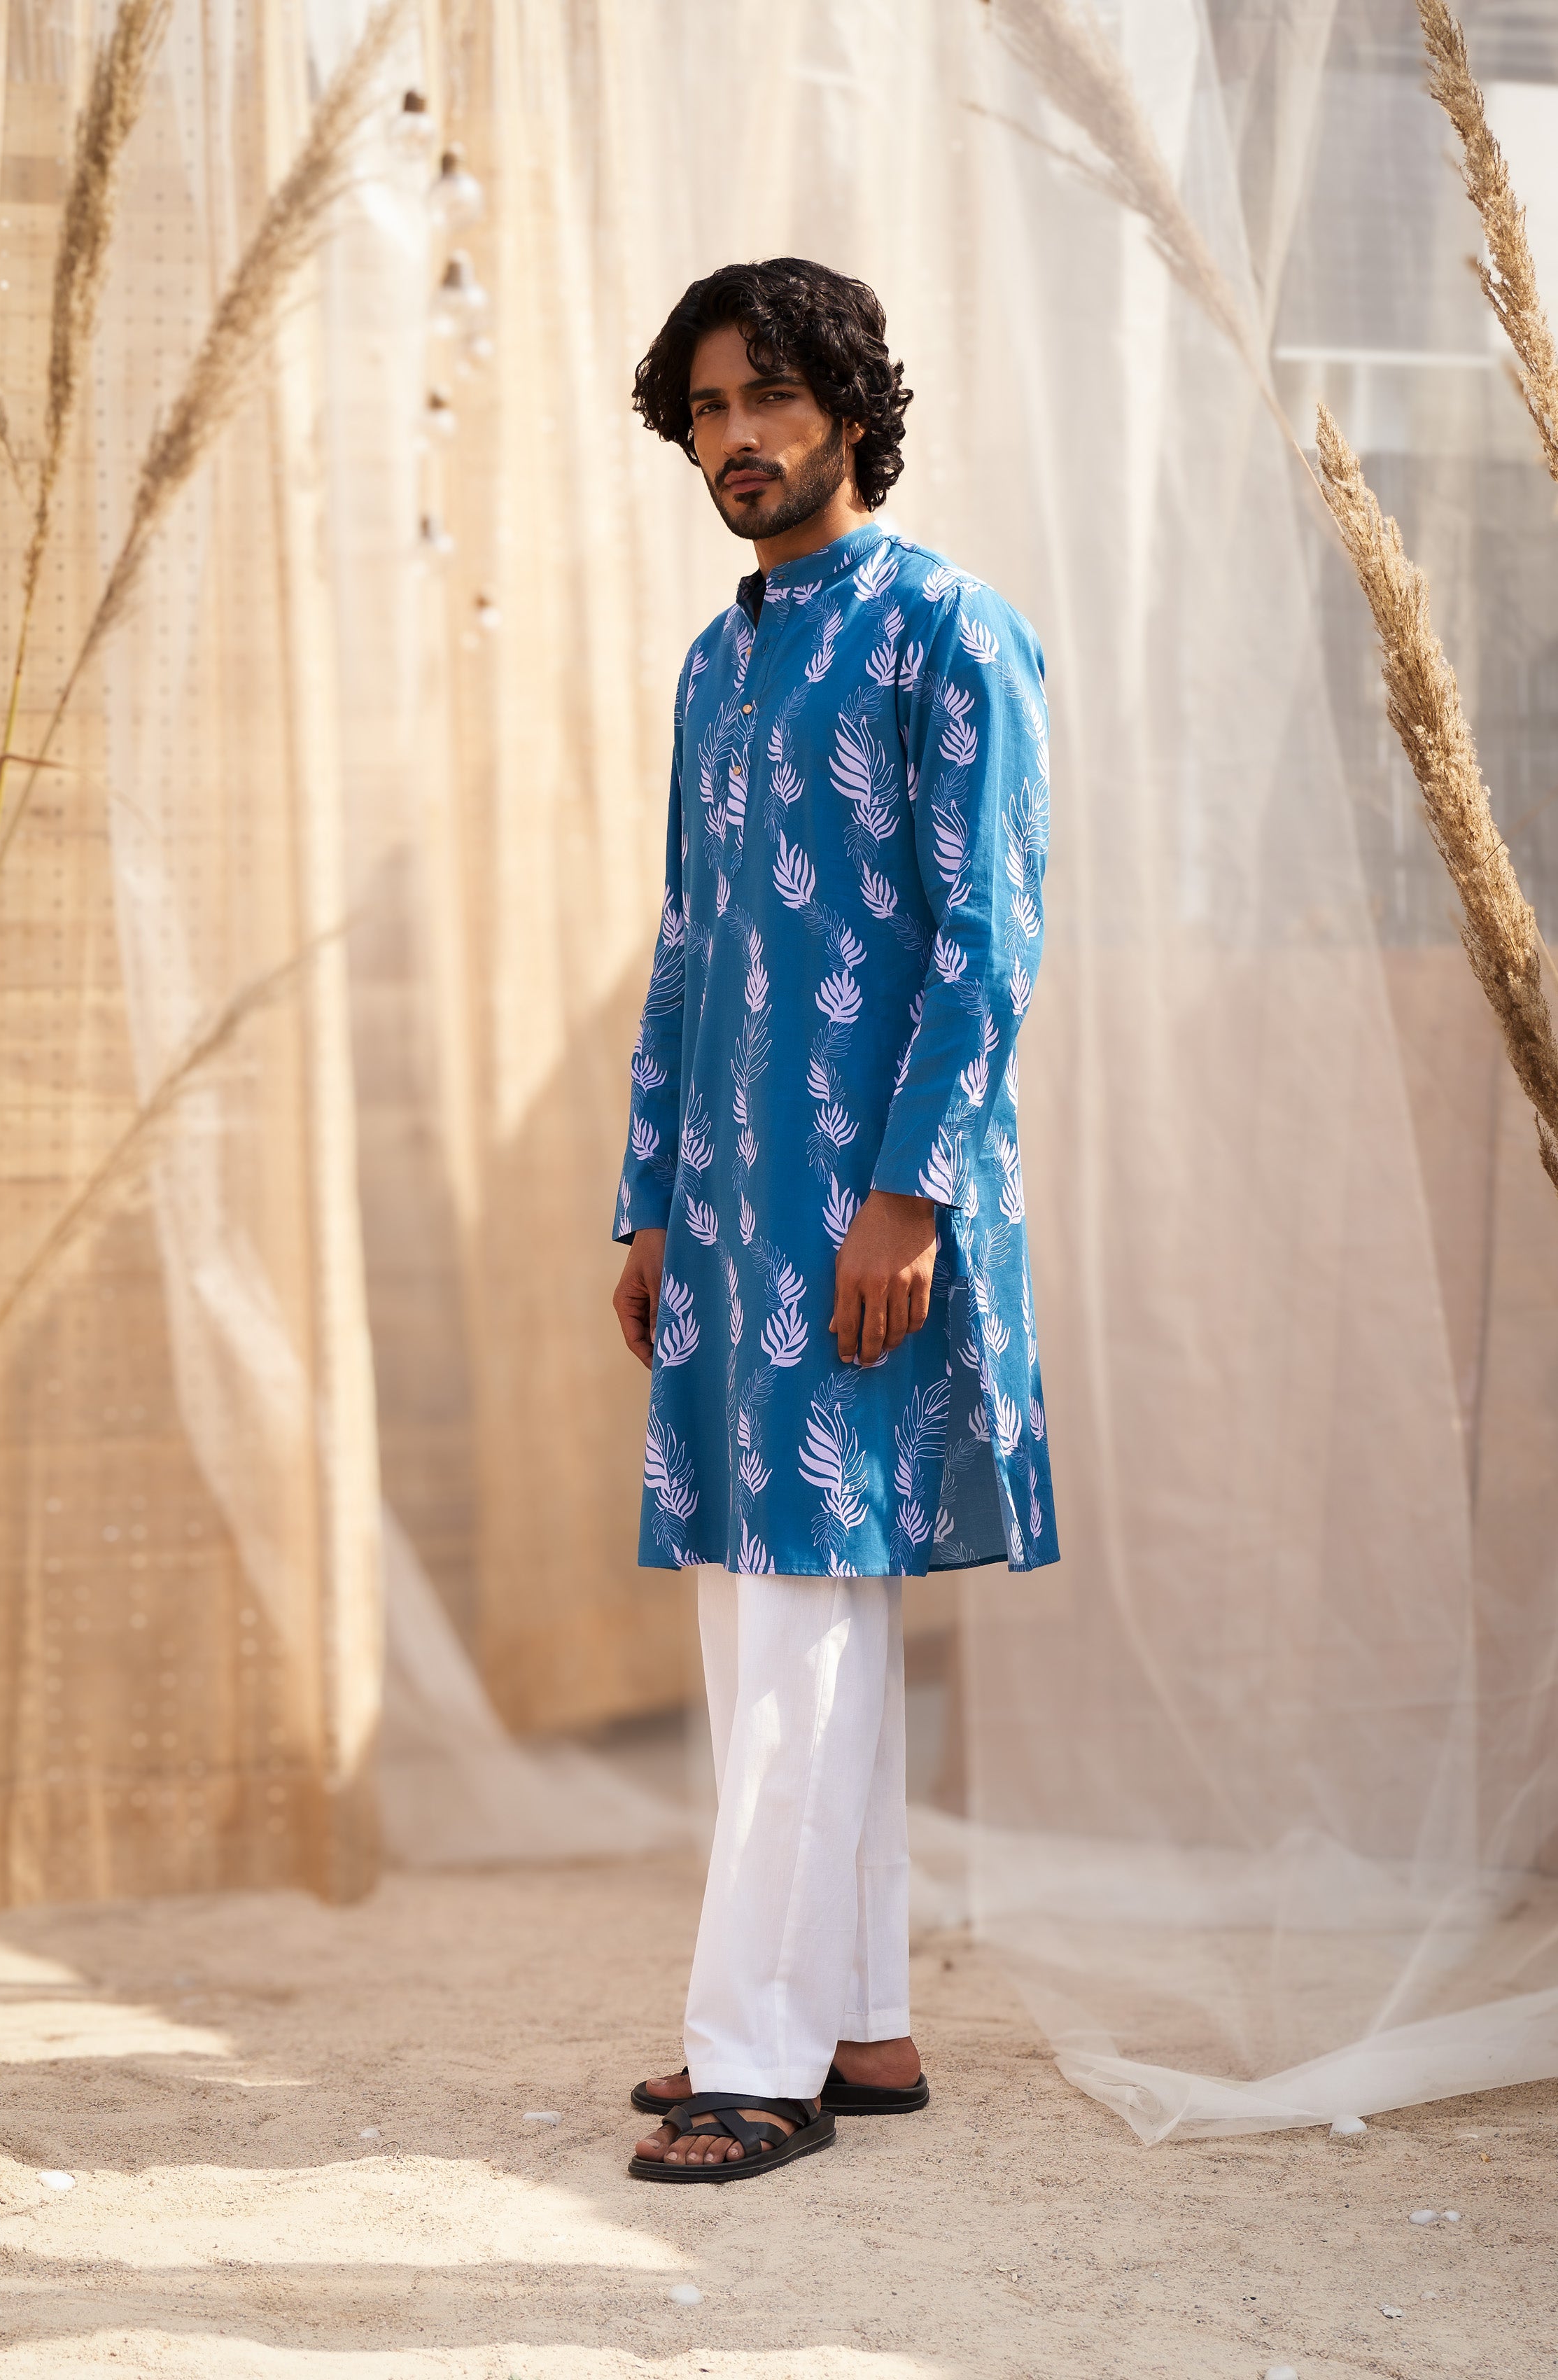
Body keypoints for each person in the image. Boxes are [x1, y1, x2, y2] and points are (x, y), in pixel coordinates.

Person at [611, 257, 1058, 2183]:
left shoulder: (947, 629)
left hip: (869, 1213)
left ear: (850, 411)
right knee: (775, 1615)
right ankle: (860, 2026)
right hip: (725, 1213)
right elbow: (687, 946)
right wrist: (646, 1205)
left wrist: (905, 1195)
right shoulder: (717, 662)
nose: (738, 438)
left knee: (797, 1621)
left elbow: (988, 938)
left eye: (770, 399)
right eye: (709, 408)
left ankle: (753, 2055)